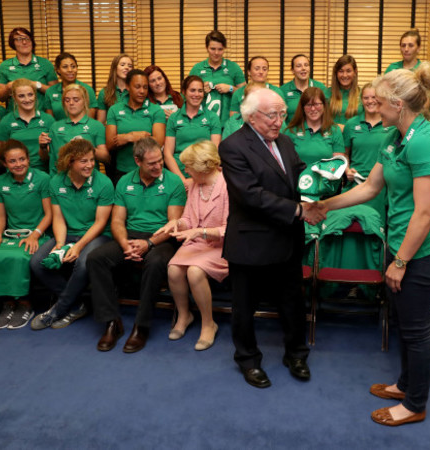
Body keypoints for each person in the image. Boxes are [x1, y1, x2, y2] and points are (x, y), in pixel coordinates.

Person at [319, 64, 430, 426]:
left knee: (415, 331)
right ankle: (405, 385)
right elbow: (369, 188)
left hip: (419, 254)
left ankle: (415, 404)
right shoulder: (396, 137)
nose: (373, 104)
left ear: (398, 103)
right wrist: (324, 205)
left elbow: (424, 214)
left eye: (379, 99)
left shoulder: (425, 141)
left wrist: (401, 261)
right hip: (400, 245)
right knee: (404, 323)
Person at [219, 88, 321, 388]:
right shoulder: (232, 146)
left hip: (287, 238)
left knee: (292, 301)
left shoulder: (286, 142)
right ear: (250, 115)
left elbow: (301, 176)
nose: (279, 121)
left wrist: (326, 176)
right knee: (244, 308)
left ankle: (296, 353)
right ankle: (248, 359)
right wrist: (300, 210)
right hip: (251, 242)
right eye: (272, 115)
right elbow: (251, 196)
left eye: (283, 115)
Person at [86, 137, 185, 353]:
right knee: (96, 258)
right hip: (130, 235)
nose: (158, 166)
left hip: (161, 237)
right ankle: (112, 322)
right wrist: (125, 244)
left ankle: (142, 325)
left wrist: (148, 243)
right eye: (152, 163)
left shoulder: (174, 182)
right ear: (137, 161)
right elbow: (117, 221)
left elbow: (172, 224)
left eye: (160, 160)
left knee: (156, 261)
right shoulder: (124, 182)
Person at [30, 139, 114, 329]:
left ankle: (57, 310)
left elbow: (100, 223)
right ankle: (77, 304)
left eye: (92, 160)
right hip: (67, 234)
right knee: (37, 263)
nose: (90, 165)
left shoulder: (104, 182)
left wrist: (78, 246)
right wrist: (59, 245)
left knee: (83, 263)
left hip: (97, 236)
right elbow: (58, 218)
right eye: (83, 161)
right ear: (70, 162)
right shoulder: (56, 181)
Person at [155, 141, 228, 350]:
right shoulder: (195, 184)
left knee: (195, 272)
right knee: (174, 269)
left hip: (221, 246)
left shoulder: (229, 186)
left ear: (202, 167)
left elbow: (231, 230)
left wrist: (200, 232)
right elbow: (188, 218)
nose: (184, 170)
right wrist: (176, 223)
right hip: (197, 243)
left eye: (187, 166)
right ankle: (184, 315)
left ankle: (208, 323)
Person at [0, 139, 51, 329]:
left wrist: (35, 235)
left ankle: (25, 304)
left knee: (20, 256)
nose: (18, 164)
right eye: (12, 161)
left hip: (37, 234)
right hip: (11, 235)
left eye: (22, 159)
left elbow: (50, 214)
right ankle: (8, 303)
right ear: (4, 164)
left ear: (29, 160)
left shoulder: (42, 179)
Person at [106, 69, 166, 178]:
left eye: (145, 87)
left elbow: (159, 142)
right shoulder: (114, 110)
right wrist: (130, 137)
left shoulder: (156, 110)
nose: (142, 91)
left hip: (150, 171)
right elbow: (110, 144)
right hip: (123, 171)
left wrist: (126, 138)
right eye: (137, 87)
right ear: (128, 87)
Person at [342, 83, 392, 215]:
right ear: (361, 100)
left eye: (374, 97)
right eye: (366, 98)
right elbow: (345, 155)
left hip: (381, 188)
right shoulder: (351, 124)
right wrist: (347, 170)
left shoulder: (390, 125)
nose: (370, 101)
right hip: (356, 186)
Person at [164, 75, 221, 182]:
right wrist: (181, 180)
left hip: (205, 174)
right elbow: (167, 154)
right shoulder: (173, 118)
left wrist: (200, 177)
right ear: (184, 92)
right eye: (192, 90)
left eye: (200, 91)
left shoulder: (212, 117)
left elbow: (215, 151)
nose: (196, 94)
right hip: (179, 176)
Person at [44, 84, 108, 174]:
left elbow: (105, 157)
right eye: (67, 100)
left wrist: (87, 148)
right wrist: (42, 146)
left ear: (85, 101)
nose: (71, 103)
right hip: (59, 178)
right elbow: (46, 158)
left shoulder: (96, 126)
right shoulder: (55, 126)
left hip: (88, 178)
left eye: (76, 99)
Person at [0, 78, 55, 172]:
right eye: (21, 96)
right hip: (16, 174)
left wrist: (43, 148)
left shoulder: (48, 120)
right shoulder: (6, 122)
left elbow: (54, 154)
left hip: (43, 173)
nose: (27, 99)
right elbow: (1, 155)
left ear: (35, 95)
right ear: (14, 98)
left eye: (30, 94)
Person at [188, 30, 246, 127]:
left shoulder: (234, 68)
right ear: (207, 48)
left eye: (220, 49)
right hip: (203, 123)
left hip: (228, 123)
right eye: (213, 49)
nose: (216, 53)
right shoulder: (197, 69)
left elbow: (245, 95)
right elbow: (187, 96)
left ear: (225, 48)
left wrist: (230, 89)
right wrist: (201, 90)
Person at [0, 27, 57, 112]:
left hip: (41, 117)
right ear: (13, 43)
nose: (24, 42)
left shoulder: (45, 64)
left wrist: (38, 85)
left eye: (27, 39)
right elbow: (1, 98)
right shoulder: (4, 66)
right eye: (19, 39)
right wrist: (7, 88)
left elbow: (55, 94)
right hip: (14, 117)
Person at [284, 87, 345, 166]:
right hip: (299, 177)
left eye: (317, 104)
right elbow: (286, 164)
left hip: (326, 178)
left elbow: (338, 165)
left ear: (324, 105)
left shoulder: (334, 130)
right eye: (308, 105)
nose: (313, 109)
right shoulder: (291, 131)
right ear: (303, 108)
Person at [44, 52, 98, 120]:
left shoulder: (87, 89)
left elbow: (90, 121)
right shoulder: (50, 91)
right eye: (65, 67)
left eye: (73, 66)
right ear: (58, 70)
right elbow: (50, 121)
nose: (70, 70)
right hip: (58, 129)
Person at [280, 54, 328, 122]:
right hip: (291, 132)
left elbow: (327, 114)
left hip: (316, 131)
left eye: (306, 65)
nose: (303, 68)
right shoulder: (283, 90)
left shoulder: (321, 88)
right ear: (292, 70)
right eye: (299, 66)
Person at [96, 54, 133, 124]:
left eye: (130, 66)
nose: (127, 68)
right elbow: (101, 122)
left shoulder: (136, 91)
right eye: (122, 65)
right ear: (115, 68)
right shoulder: (105, 92)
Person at [327, 55, 363, 128]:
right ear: (336, 73)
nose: (344, 75)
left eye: (348, 71)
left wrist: (346, 129)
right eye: (341, 71)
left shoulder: (363, 94)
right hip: (333, 137)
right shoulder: (326, 93)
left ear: (355, 72)